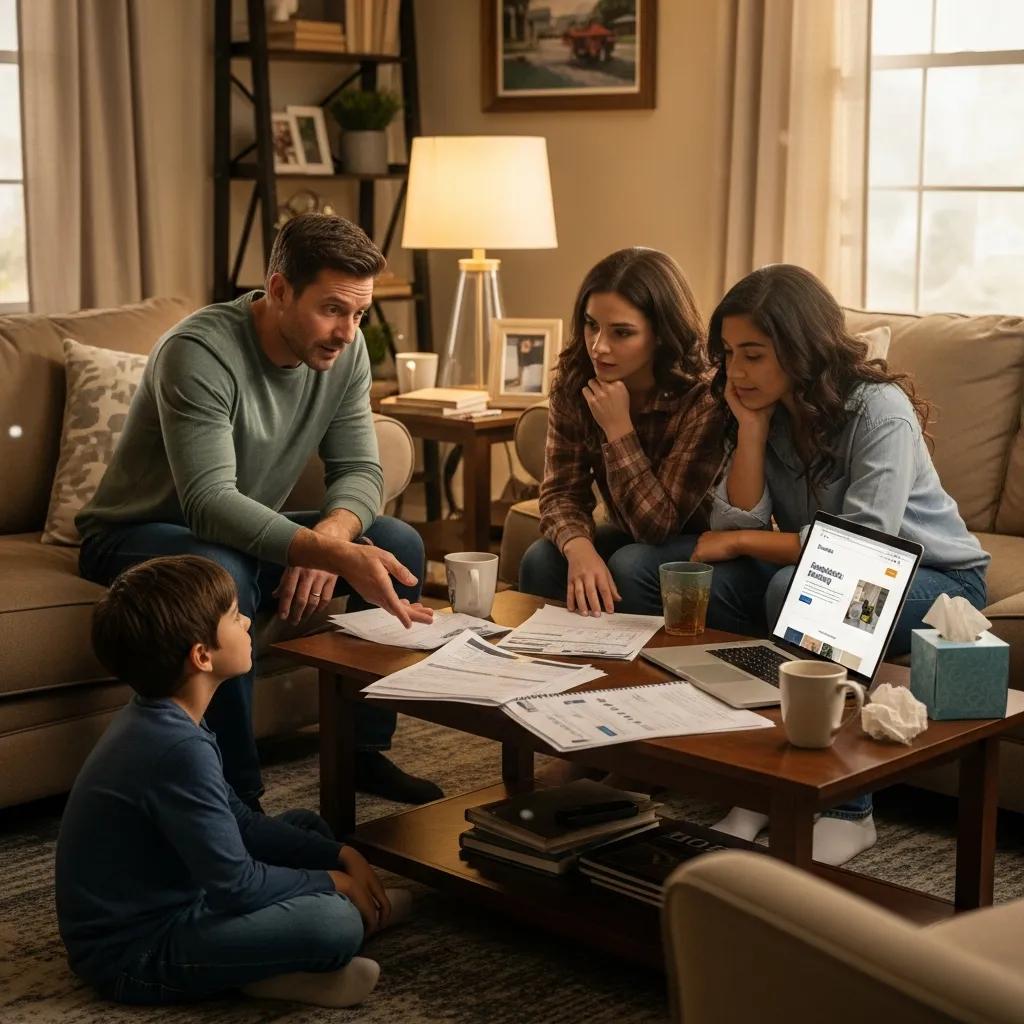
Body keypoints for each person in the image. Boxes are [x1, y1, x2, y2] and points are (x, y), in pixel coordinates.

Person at [76, 213, 440, 809]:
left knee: (397, 542)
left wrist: (331, 533)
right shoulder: (198, 353)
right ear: (277, 290)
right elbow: (209, 503)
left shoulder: (343, 353)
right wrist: (326, 552)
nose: (348, 332)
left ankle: (362, 754)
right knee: (220, 571)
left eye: (359, 313)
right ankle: (237, 795)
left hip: (234, 534)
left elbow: (362, 472)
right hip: (132, 535)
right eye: (332, 309)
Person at [691, 264, 990, 865]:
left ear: (799, 349)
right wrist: (750, 431)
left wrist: (746, 546)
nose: (736, 372)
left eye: (753, 354)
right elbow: (739, 524)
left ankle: (850, 810)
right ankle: (760, 782)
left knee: (808, 587)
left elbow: (861, 545)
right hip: (844, 564)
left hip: (940, 582)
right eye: (728, 354)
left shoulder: (880, 410)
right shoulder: (765, 407)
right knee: (728, 585)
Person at [55, 555, 409, 1007]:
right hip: (135, 953)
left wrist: (341, 855)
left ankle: (282, 956)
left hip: (188, 888)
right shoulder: (175, 747)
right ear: (202, 656)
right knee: (331, 923)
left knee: (306, 828)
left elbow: (238, 818)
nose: (247, 622)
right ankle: (277, 964)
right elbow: (237, 885)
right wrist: (335, 882)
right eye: (234, 615)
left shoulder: (169, 713)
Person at [519, 247, 726, 616]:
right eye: (591, 325)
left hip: (699, 541)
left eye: (622, 333)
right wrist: (579, 548)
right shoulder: (575, 382)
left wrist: (618, 429)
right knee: (543, 560)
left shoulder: (703, 396)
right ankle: (558, 663)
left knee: (632, 564)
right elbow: (560, 493)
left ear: (661, 334)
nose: (599, 347)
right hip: (632, 531)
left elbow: (658, 527)